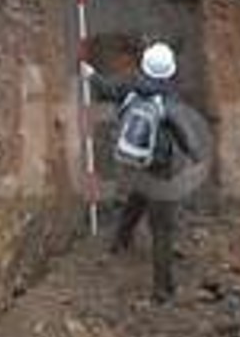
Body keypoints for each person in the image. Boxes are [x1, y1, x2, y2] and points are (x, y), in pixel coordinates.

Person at [82, 42, 200, 303]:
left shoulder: (130, 86)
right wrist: (195, 155)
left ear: (144, 67)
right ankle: (162, 291)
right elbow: (183, 133)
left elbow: (107, 89)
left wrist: (90, 74)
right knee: (162, 229)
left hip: (134, 162)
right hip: (159, 167)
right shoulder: (169, 99)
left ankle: (120, 241)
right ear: (170, 71)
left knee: (136, 198)